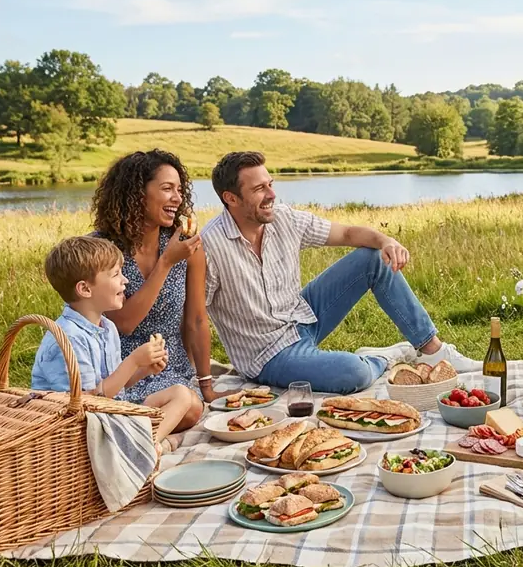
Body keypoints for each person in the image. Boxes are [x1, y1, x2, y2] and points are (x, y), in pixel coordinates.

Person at [201, 151, 479, 395]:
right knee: (353, 374)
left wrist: (386, 241)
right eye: (259, 188)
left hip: (302, 317)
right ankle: (384, 358)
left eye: (271, 184)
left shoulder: (283, 218)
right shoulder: (208, 246)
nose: (272, 194)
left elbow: (346, 233)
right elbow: (193, 318)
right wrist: (201, 382)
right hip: (269, 355)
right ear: (231, 198)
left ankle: (433, 350)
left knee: (373, 257)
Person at [31, 236, 203, 448]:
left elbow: (116, 385)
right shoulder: (67, 339)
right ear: (85, 289)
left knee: (182, 395)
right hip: (80, 431)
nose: (125, 281)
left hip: (111, 412)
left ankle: (146, 445)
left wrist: (144, 369)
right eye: (115, 274)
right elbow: (88, 403)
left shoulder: (106, 327)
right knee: (178, 405)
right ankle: (147, 448)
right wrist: (132, 361)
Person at [91, 150, 225, 404]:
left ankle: (150, 424)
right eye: (167, 189)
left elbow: (196, 319)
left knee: (191, 406)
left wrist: (206, 386)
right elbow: (123, 323)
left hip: (170, 368)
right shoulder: (100, 249)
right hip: (119, 370)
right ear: (137, 193)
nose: (177, 198)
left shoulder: (186, 245)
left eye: (180, 190)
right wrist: (165, 263)